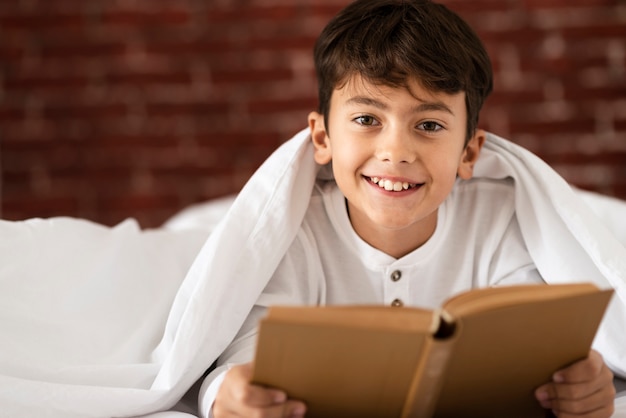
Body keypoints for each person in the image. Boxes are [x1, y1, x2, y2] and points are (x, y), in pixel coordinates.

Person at [199, 0, 618, 417]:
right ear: (322, 138)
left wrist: (580, 386)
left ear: (469, 152)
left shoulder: (499, 220)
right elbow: (245, 354)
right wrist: (230, 395)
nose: (396, 152)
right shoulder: (293, 232)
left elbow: (539, 346)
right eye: (367, 119)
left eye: (429, 125)